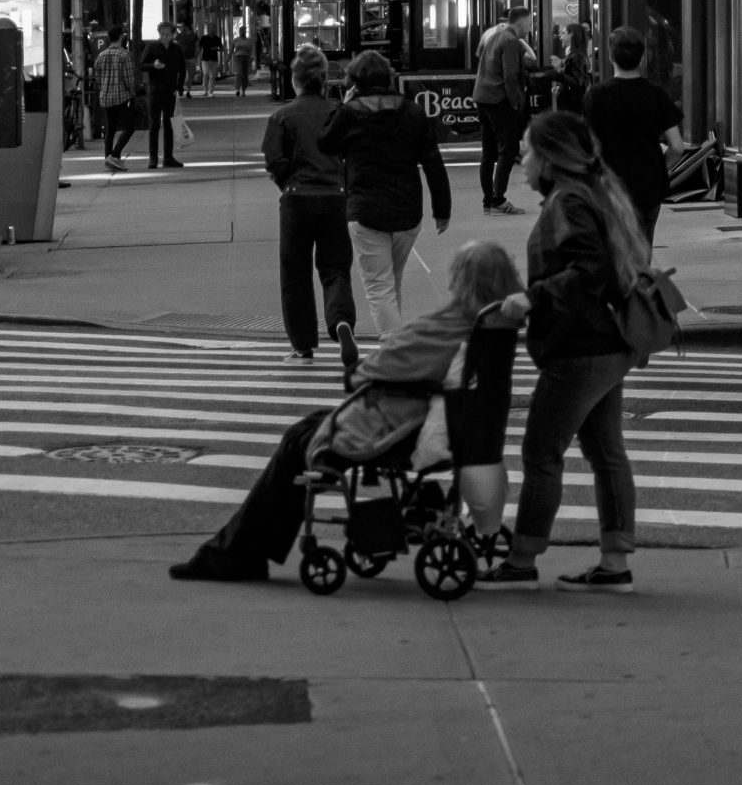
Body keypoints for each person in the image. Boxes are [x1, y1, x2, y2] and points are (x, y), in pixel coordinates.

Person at [167, 242, 525, 583]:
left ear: (460, 281)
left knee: (297, 442)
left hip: (394, 422)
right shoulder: (492, 326)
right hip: (430, 418)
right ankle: (245, 551)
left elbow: (372, 372)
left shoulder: (448, 327)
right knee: (305, 429)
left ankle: (238, 554)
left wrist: (358, 373)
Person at [479, 109, 650, 594]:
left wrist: (532, 297)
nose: (521, 159)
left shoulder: (568, 201)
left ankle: (521, 559)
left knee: (540, 452)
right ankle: (614, 563)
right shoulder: (587, 193)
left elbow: (587, 270)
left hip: (580, 348)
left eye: (529, 151)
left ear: (550, 158)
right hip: (605, 344)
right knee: (605, 452)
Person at [320, 49, 452, 343]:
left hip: (365, 210)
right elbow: (433, 162)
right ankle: (396, 343)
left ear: (354, 81)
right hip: (408, 210)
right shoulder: (413, 111)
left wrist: (344, 104)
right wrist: (442, 208)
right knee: (393, 280)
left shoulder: (350, 113)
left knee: (379, 285)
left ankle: (393, 349)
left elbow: (326, 144)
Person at [263, 48, 355, 364]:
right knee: (335, 268)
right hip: (334, 197)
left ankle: (303, 343)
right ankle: (341, 320)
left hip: (297, 200)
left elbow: (274, 159)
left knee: (295, 273)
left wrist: (287, 181)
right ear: (324, 81)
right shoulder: (339, 111)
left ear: (295, 80)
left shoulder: (282, 115)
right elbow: (351, 154)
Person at [581, 25, 687, 248]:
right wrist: (660, 169)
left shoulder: (597, 96)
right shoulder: (656, 94)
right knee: (642, 251)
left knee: (615, 251)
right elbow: (677, 146)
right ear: (642, 58)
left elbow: (589, 146)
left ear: (611, 56)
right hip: (649, 187)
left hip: (611, 187)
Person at [474, 5, 532, 214]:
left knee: (488, 152)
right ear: (521, 21)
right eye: (529, 22)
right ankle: (499, 198)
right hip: (500, 100)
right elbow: (510, 76)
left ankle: (489, 198)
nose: (530, 26)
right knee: (508, 150)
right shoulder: (511, 42)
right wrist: (516, 103)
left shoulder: (494, 38)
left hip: (483, 98)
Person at [137, 21, 187, 167]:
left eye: (167, 34)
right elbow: (141, 65)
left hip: (170, 91)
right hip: (154, 90)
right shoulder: (152, 47)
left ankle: (168, 157)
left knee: (169, 124)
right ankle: (153, 158)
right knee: (154, 125)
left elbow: (182, 70)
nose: (164, 37)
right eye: (162, 34)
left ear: (172, 35)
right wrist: (153, 65)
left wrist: (179, 87)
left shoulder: (177, 49)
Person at [90, 27, 139, 170]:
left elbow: (97, 78)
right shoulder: (125, 55)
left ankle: (108, 159)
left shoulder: (101, 55)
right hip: (122, 96)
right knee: (129, 128)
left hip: (106, 96)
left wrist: (104, 88)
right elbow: (129, 78)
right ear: (121, 37)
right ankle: (115, 155)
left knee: (110, 129)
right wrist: (132, 92)